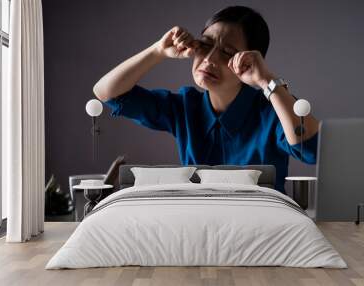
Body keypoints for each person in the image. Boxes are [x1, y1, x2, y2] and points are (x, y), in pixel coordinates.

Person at [93, 6, 319, 194]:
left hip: (263, 227)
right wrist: (158, 51)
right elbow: (107, 92)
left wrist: (266, 79)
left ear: (249, 60)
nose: (209, 59)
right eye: (206, 44)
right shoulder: (185, 106)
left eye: (227, 52)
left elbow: (311, 150)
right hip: (198, 225)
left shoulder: (272, 109)